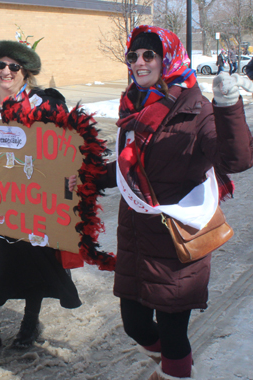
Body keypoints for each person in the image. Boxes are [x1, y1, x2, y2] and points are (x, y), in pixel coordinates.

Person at [94, 26, 253, 379]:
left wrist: (228, 109)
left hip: (177, 242)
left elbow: (236, 162)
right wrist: (89, 177)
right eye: (133, 56)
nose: (139, 62)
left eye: (149, 55)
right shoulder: (133, 104)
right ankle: (175, 368)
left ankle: (176, 372)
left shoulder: (196, 110)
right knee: (135, 326)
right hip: (136, 239)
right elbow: (129, 166)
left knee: (172, 333)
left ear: (168, 58)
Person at [0, 40, 82, 354]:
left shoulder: (44, 105)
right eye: (0, 65)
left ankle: (30, 322)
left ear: (25, 72)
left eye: (14, 66)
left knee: (30, 263)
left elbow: (69, 146)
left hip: (32, 203)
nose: (6, 71)